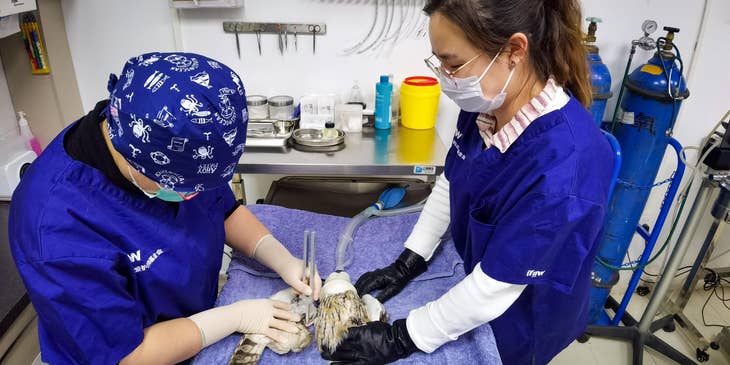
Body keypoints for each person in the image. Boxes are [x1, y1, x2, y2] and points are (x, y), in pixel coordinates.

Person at [323, 1, 614, 364]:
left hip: (523, 317)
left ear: (514, 51)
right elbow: (455, 178)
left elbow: (495, 287)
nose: (446, 77)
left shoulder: (566, 166)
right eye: (439, 61)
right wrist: (412, 257)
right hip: (477, 280)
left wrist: (402, 337)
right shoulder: (487, 106)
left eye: (454, 64)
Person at [9, 52, 321, 365]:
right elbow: (129, 354)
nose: (194, 194)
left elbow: (223, 210)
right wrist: (235, 317)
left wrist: (280, 258)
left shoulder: (180, 145)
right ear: (142, 159)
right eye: (186, 186)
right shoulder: (56, 230)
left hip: (193, 325)